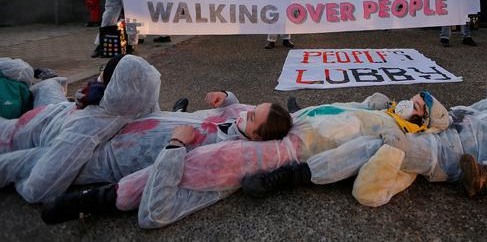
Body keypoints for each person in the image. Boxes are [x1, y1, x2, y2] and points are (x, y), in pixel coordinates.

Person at [42, 91, 445, 228]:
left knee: (227, 154)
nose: (413, 102)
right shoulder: (379, 107)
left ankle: (90, 199)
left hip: (117, 155)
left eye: (420, 107)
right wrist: (232, 102)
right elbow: (337, 109)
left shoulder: (396, 139)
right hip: (151, 125)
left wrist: (174, 149)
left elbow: (155, 211)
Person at [242, 86, 487, 207]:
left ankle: (292, 177)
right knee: (371, 108)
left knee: (377, 143)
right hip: (440, 126)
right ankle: (305, 115)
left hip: (445, 155)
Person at [0, 55, 160, 204]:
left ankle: (47, 85)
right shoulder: (140, 102)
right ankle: (52, 81)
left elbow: (38, 190)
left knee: (22, 70)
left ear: (110, 83)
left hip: (24, 128)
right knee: (49, 85)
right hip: (56, 110)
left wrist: (20, 176)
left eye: (102, 71)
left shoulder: (87, 126)